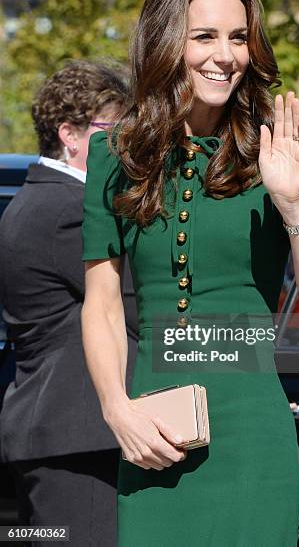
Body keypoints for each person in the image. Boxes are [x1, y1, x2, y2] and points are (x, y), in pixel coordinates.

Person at [81, 0, 299, 546]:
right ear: (166, 41)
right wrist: (116, 409)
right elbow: (101, 304)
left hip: (254, 440)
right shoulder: (115, 154)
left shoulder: (286, 147)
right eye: (204, 36)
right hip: (154, 434)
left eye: (238, 37)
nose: (224, 55)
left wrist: (290, 200)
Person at [0, 60, 138, 546]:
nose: (125, 143)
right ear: (70, 135)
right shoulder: (67, 210)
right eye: (112, 130)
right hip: (77, 441)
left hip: (66, 440)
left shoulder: (41, 199)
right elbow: (137, 306)